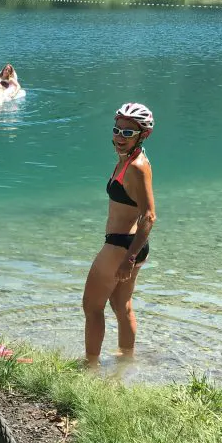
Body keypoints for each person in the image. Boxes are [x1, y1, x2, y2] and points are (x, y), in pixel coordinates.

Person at [81, 102, 156, 367]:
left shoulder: (137, 166)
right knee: (121, 305)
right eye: (117, 130)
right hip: (130, 244)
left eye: (127, 133)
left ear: (142, 135)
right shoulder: (128, 161)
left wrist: (129, 258)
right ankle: (126, 360)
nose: (119, 137)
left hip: (121, 247)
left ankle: (90, 366)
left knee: (92, 307)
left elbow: (149, 215)